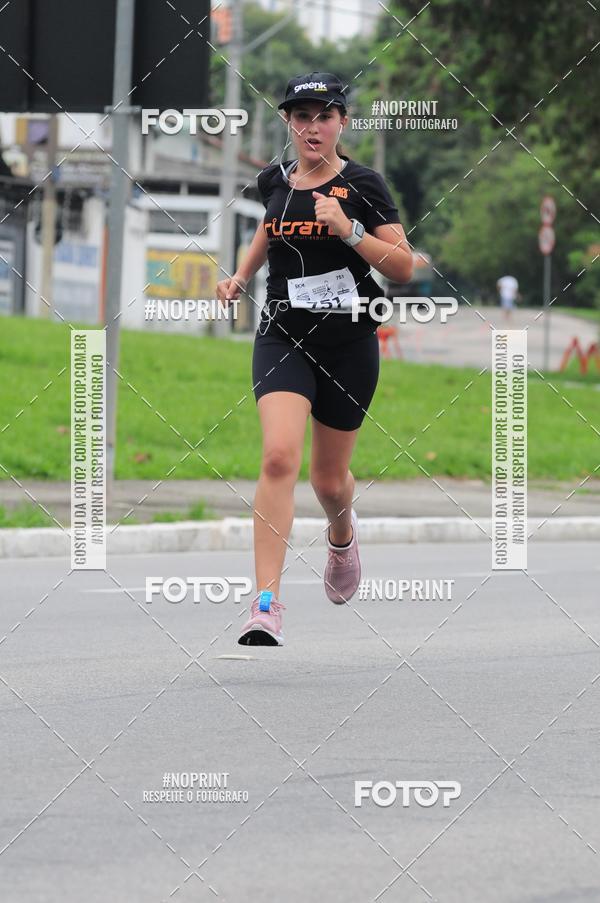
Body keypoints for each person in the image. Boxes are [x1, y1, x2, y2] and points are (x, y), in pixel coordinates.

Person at [216, 72, 413, 646]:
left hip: (349, 342)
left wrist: (350, 230)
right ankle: (266, 603)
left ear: (341, 122)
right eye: (301, 116)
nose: (311, 126)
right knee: (279, 457)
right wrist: (242, 274)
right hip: (282, 336)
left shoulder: (363, 184)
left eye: (323, 115)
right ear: (288, 122)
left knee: (329, 481)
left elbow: (402, 266)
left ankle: (342, 535)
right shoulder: (272, 180)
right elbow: (271, 227)